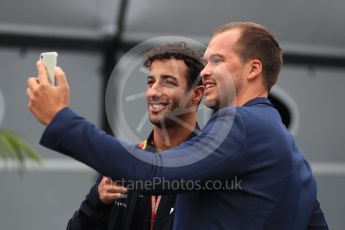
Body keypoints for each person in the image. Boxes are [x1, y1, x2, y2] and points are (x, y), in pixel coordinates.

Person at [27, 22, 328, 229]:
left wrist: (61, 118)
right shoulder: (294, 157)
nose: (206, 71)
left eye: (218, 61)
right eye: (206, 62)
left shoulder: (239, 122)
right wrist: (98, 201)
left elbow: (153, 172)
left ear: (253, 69)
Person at [66, 42, 205, 230]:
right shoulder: (124, 164)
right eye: (150, 82)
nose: (154, 92)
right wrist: (98, 202)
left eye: (168, 82)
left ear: (196, 94)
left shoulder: (213, 164)